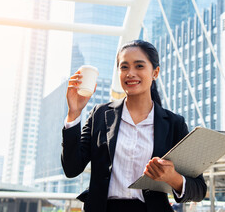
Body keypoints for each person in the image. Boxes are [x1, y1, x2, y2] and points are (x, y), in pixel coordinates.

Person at [61, 40, 207, 212]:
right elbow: (71, 169)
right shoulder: (99, 115)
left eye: (139, 66)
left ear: (155, 72)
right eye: (124, 67)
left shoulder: (174, 124)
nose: (130, 73)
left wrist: (172, 177)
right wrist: (74, 113)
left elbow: (199, 189)